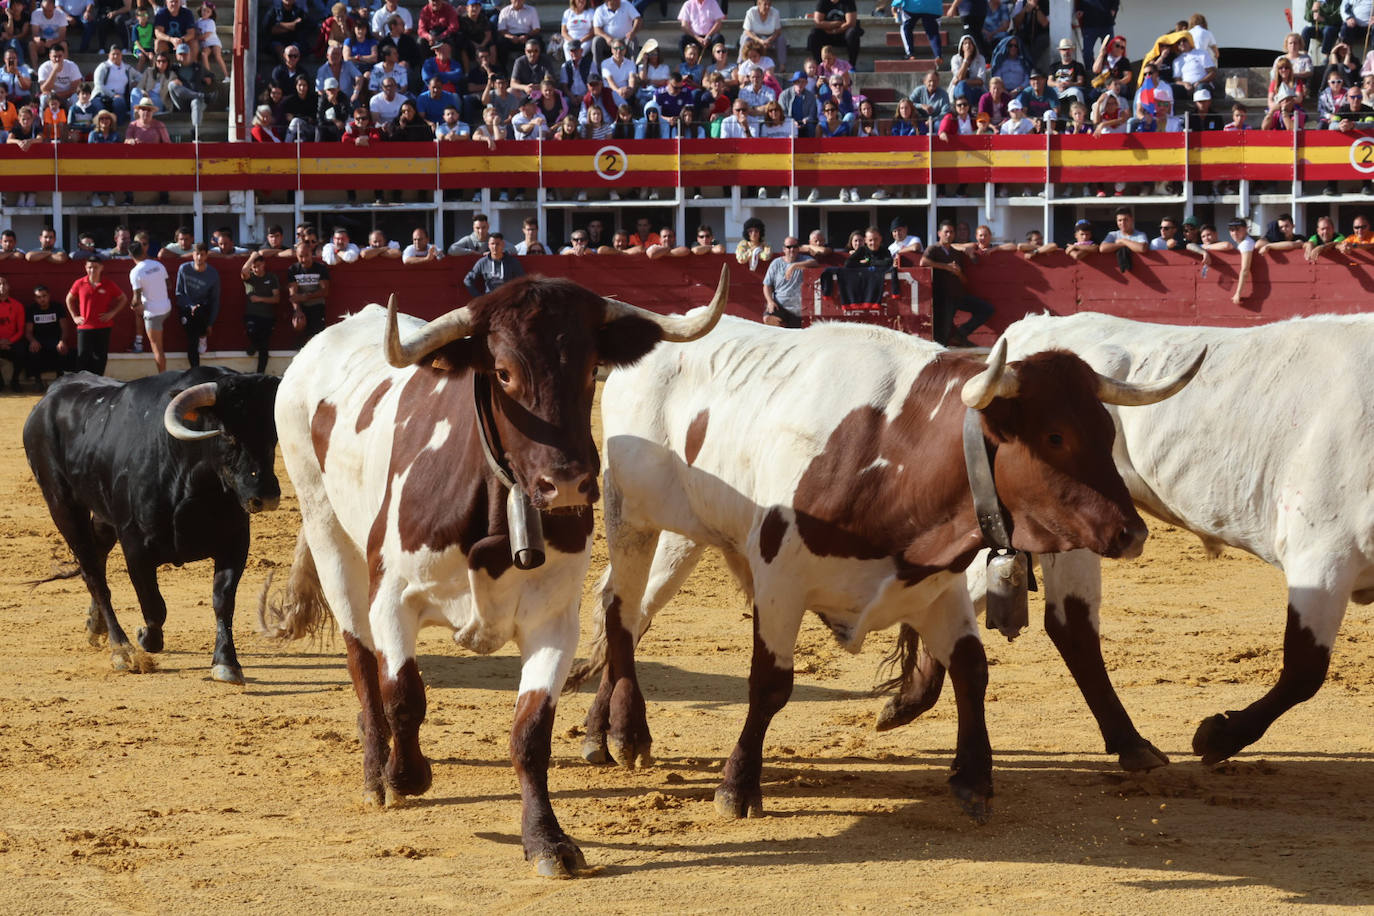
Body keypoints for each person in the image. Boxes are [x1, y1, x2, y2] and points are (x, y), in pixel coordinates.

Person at [921, 220, 994, 346]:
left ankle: (960, 335)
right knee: (942, 332)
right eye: (946, 232)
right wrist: (946, 267)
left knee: (986, 309)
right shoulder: (934, 249)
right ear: (939, 233)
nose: (949, 235)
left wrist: (958, 273)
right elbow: (923, 262)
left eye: (951, 232)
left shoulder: (956, 253)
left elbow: (964, 279)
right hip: (943, 297)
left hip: (958, 295)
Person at [65, 254, 127, 375]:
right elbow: (69, 299)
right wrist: (74, 316)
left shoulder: (108, 284)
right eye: (89, 267)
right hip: (85, 326)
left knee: (100, 357)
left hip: (103, 326)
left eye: (95, 267)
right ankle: (81, 384)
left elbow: (123, 298)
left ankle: (98, 385)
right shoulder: (79, 283)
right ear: (85, 268)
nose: (92, 270)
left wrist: (112, 313)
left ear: (101, 268)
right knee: (82, 356)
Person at [127, 239, 172, 372]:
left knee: (157, 348)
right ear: (143, 251)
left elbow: (136, 299)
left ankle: (162, 376)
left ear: (131, 255)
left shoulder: (135, 272)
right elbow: (169, 284)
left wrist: (133, 305)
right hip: (166, 308)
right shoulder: (158, 265)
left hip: (154, 313)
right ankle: (139, 340)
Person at [175, 242, 219, 366]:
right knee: (191, 340)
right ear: (192, 255)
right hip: (187, 309)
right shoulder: (184, 269)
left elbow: (215, 300)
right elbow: (179, 294)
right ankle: (195, 370)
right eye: (197, 254)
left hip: (203, 310)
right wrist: (191, 306)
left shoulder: (213, 274)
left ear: (206, 256)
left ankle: (203, 335)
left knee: (200, 311)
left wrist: (210, 324)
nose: (199, 258)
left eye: (202, 255)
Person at [238, 249, 280, 374]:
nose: (256, 269)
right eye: (254, 267)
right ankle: (254, 345)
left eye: (258, 266)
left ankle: (260, 373)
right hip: (252, 315)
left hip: (267, 316)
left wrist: (259, 298)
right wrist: (252, 257)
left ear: (264, 264)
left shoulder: (271, 277)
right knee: (251, 331)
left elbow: (277, 299)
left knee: (264, 347)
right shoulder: (250, 277)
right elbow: (243, 271)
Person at [761, 235, 816, 328]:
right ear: (784, 249)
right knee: (768, 319)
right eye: (789, 247)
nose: (792, 249)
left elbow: (814, 263)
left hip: (800, 309)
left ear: (798, 249)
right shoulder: (776, 263)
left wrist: (793, 266)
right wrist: (770, 302)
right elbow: (767, 285)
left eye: (794, 247)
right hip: (780, 305)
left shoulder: (804, 259)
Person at [25, 284, 71, 387]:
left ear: (49, 296)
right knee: (32, 350)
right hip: (38, 341)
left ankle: (60, 379)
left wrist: (62, 341)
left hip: (55, 340)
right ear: (35, 298)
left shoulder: (57, 307)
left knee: (62, 349)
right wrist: (32, 341)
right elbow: (28, 331)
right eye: (39, 297)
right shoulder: (31, 309)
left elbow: (65, 328)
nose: (42, 299)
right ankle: (38, 381)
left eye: (44, 296)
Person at [286, 239, 330, 343]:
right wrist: (297, 311)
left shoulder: (320, 268)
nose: (304, 259)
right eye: (301, 256)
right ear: (296, 255)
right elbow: (293, 295)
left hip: (317, 307)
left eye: (306, 255)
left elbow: (325, 291)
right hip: (302, 307)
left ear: (311, 254)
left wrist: (305, 296)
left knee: (317, 338)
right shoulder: (293, 269)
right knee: (298, 327)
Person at [807, 0, 861, 69]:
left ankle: (851, 65)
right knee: (814, 35)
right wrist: (837, 23)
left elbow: (851, 23)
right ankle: (820, 66)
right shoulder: (823, 2)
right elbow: (817, 23)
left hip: (843, 35)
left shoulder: (848, 2)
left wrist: (833, 29)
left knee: (853, 33)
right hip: (827, 35)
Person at [0, 275, 26, 390]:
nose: (2, 286)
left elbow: (20, 330)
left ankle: (15, 380)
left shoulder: (17, 305)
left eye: (4, 283)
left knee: (22, 351)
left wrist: (9, 341)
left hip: (12, 341)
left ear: (9, 287)